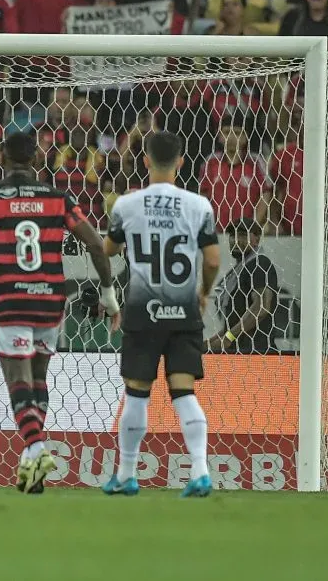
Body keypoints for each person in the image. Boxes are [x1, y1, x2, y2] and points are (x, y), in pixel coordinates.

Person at [0, 131, 120, 494]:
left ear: (2, 157)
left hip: (10, 302)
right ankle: (31, 466)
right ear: (36, 159)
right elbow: (97, 244)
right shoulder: (58, 198)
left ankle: (35, 447)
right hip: (50, 303)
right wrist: (109, 294)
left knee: (18, 381)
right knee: (38, 382)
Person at [100, 131, 222, 498]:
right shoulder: (199, 205)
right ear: (182, 163)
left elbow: (106, 250)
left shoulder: (127, 205)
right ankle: (200, 471)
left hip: (143, 312)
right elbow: (213, 259)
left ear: (146, 161)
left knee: (136, 395)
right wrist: (203, 292)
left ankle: (125, 474)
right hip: (184, 312)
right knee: (184, 392)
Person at [209, 218, 280, 354]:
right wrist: (211, 341)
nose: (235, 240)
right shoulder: (239, 270)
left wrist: (228, 338)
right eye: (232, 235)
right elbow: (234, 322)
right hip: (240, 351)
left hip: (256, 352)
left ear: (257, 238)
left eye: (242, 235)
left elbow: (261, 307)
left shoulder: (260, 263)